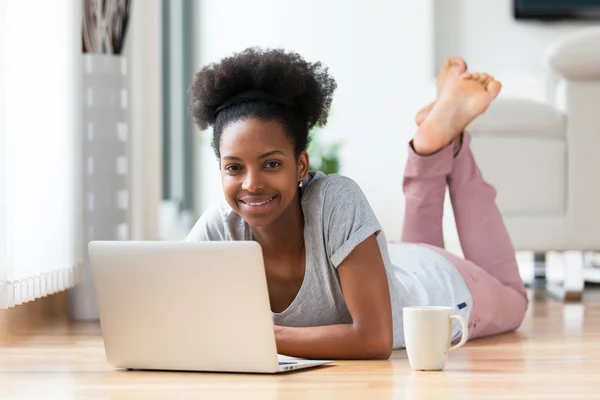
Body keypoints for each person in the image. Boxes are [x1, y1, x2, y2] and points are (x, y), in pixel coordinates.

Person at [186, 48, 529, 360]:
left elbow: (374, 340)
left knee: (514, 301)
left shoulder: (335, 198)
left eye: (271, 164)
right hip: (390, 265)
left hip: (436, 288)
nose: (251, 184)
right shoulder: (219, 226)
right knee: (413, 257)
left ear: (301, 165)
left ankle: (447, 143)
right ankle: (433, 141)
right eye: (234, 167)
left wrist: (260, 335)